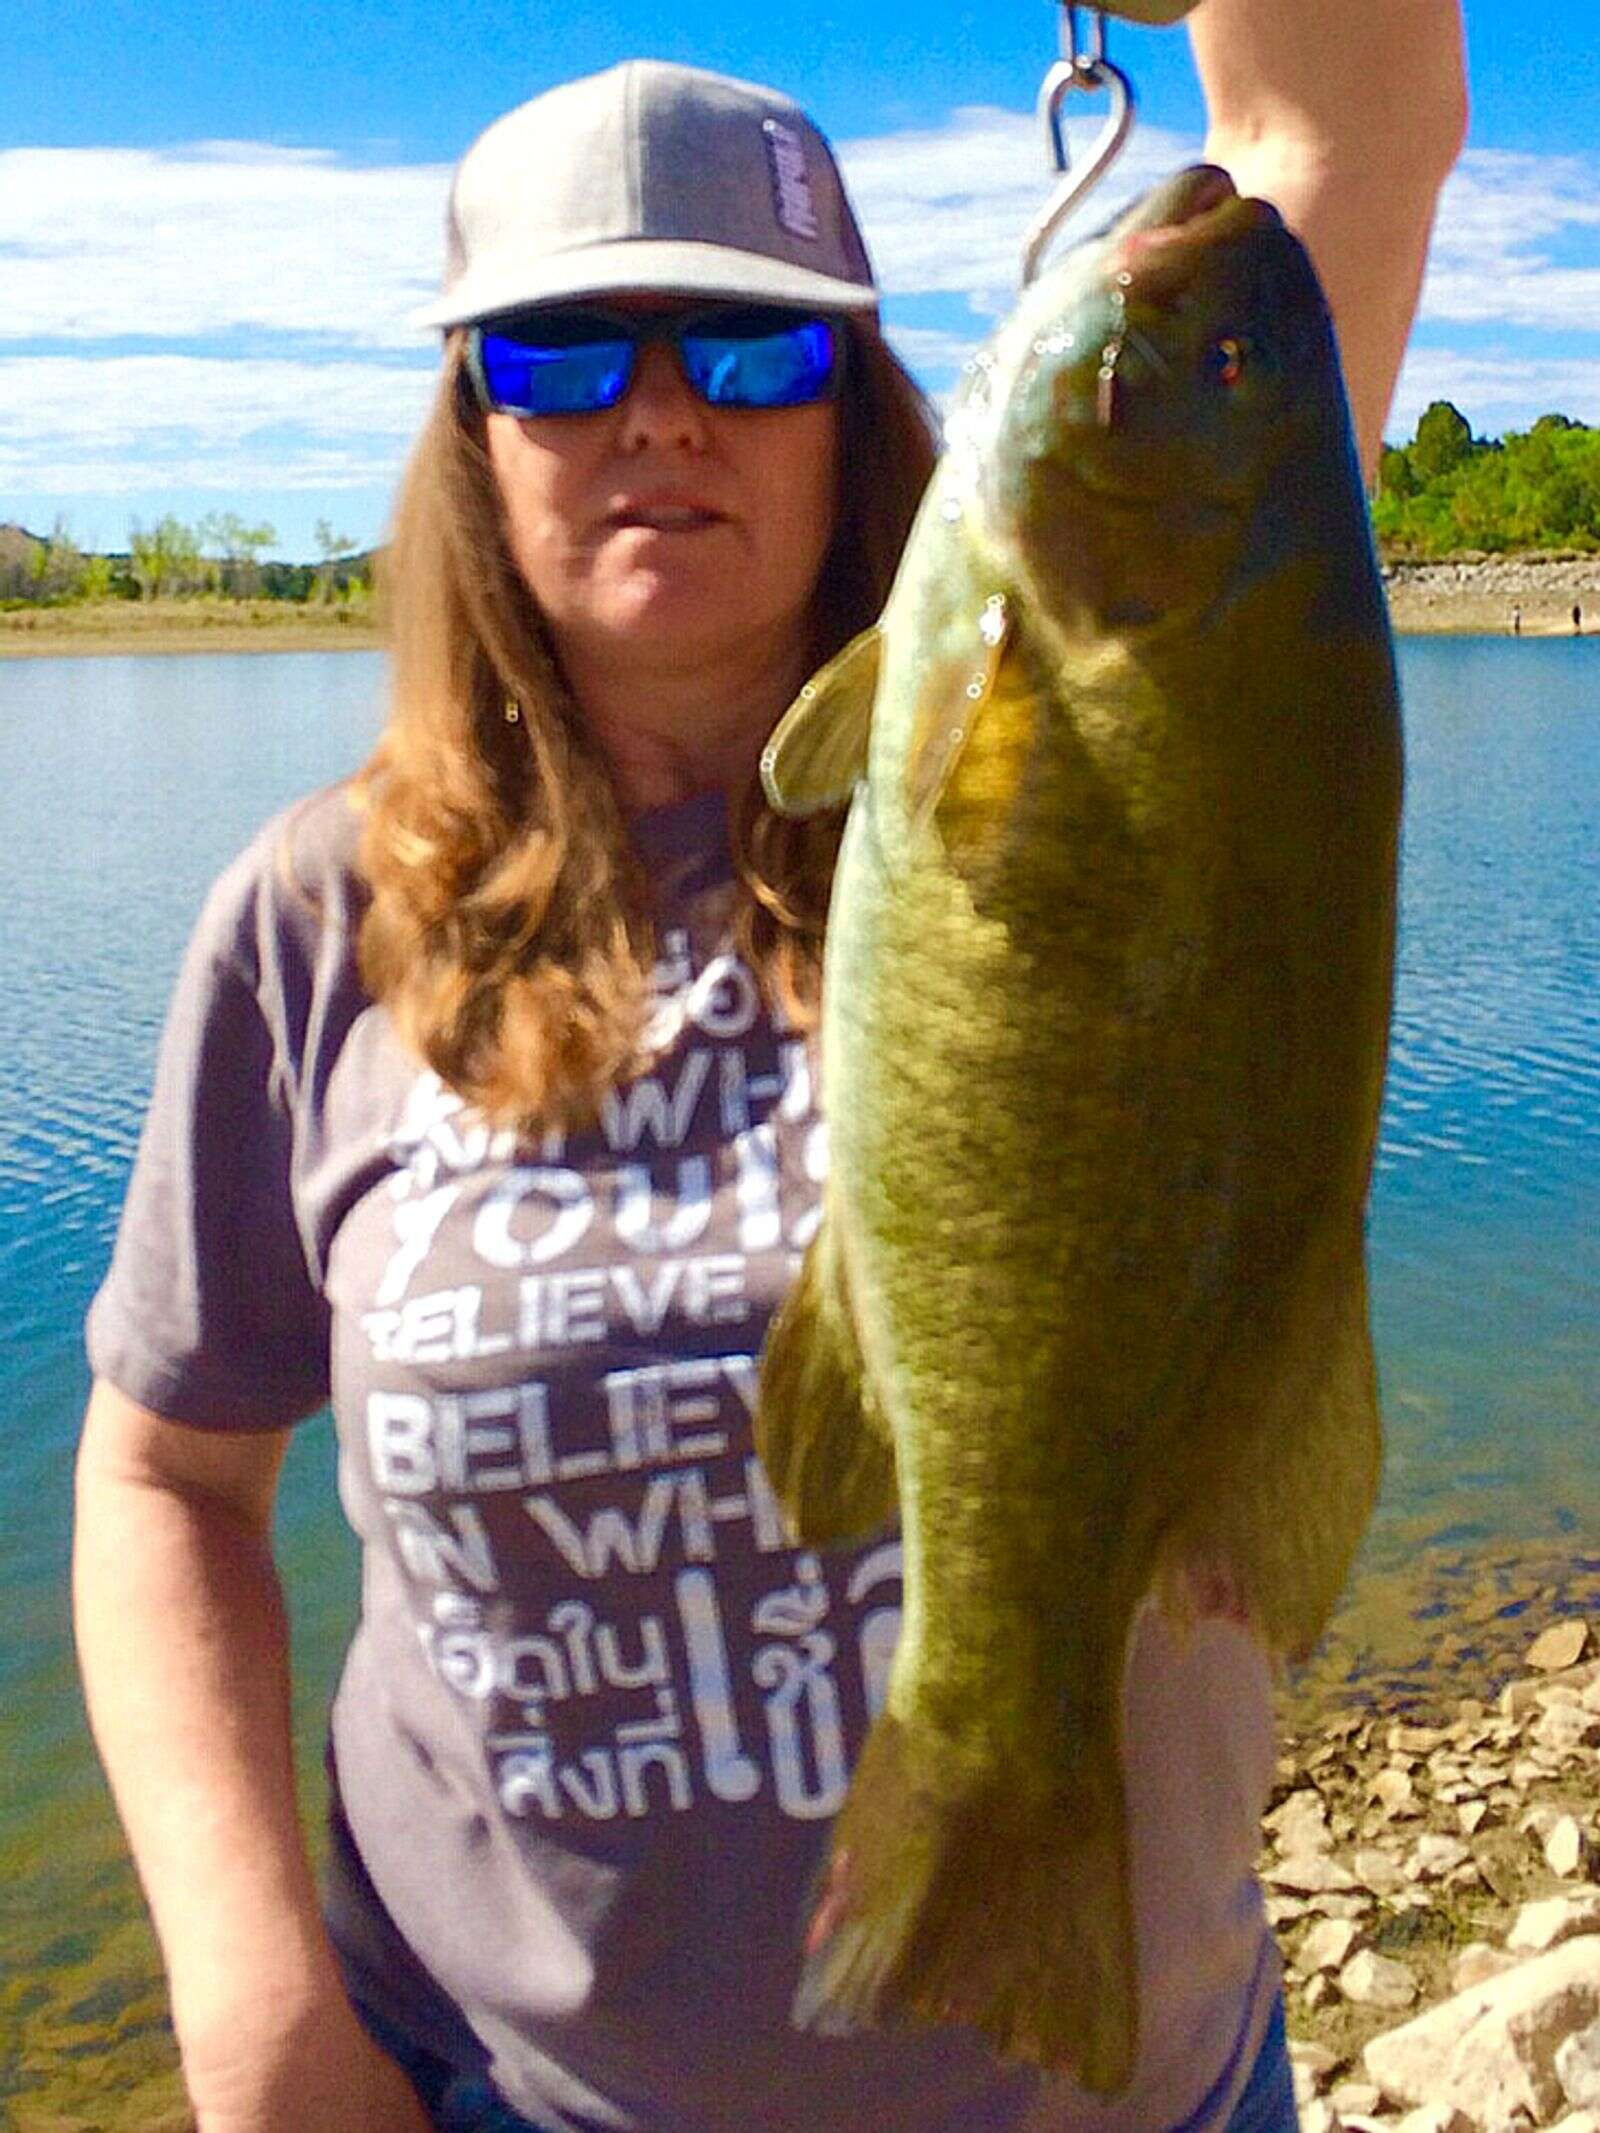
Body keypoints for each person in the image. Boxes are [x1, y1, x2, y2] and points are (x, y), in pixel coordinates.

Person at [73, 14, 1467, 2133]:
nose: (655, 417)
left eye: (746, 352)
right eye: (558, 357)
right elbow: (167, 1478)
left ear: (867, 402)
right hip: (490, 2094)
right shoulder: (313, 920)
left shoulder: (1154, 655)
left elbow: (1342, 122)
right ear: (472, 428)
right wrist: (258, 2012)